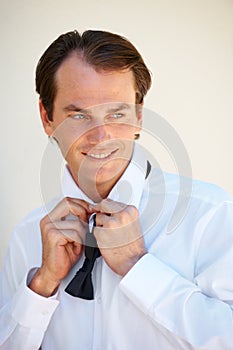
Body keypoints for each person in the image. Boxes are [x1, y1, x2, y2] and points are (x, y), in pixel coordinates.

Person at [0, 29, 233, 350]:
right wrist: (40, 287)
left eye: (117, 113)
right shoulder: (27, 235)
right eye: (79, 115)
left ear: (138, 116)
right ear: (47, 118)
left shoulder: (211, 214)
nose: (101, 136)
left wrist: (138, 266)